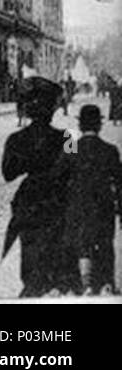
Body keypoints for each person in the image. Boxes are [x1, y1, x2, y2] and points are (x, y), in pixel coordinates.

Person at [1, 78, 75, 297]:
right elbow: (74, 170)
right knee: (57, 262)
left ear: (27, 110)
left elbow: (7, 174)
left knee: (28, 260)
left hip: (29, 202)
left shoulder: (15, 139)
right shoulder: (67, 137)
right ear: (53, 109)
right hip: (57, 202)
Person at [59, 104, 122, 294]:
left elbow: (59, 180)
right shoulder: (110, 150)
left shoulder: (70, 149)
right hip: (103, 207)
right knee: (104, 243)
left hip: (77, 206)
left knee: (79, 244)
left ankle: (82, 284)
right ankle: (106, 284)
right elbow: (120, 184)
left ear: (80, 126)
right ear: (99, 126)